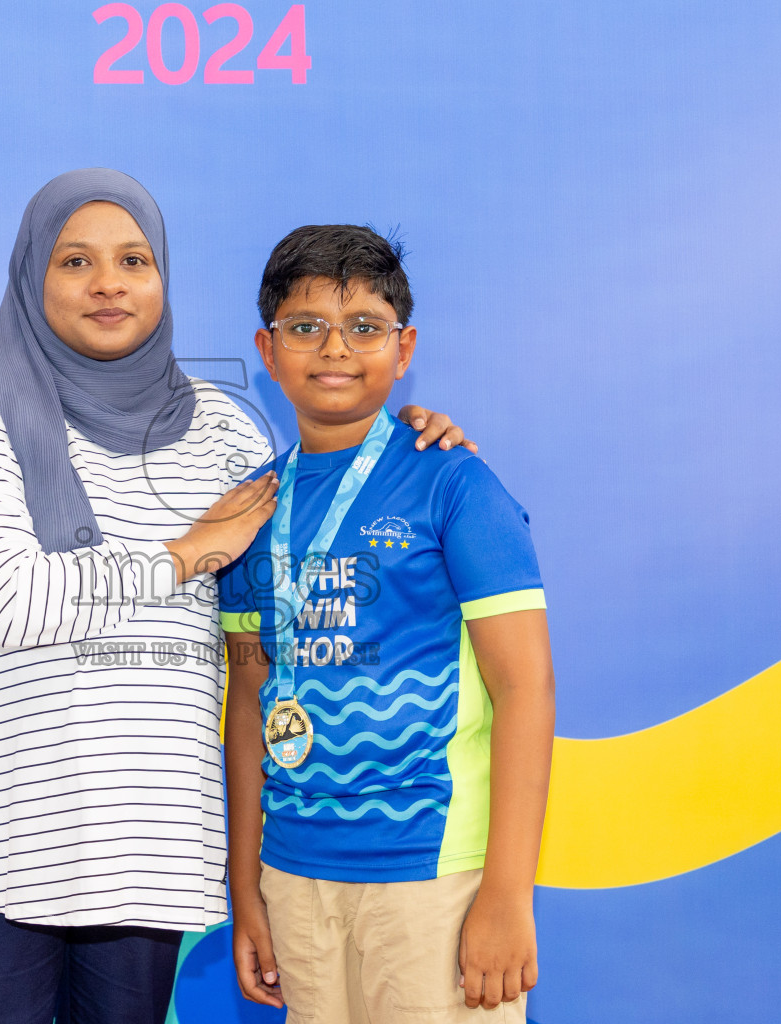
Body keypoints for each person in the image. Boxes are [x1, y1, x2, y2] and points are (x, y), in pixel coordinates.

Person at [0, 170, 479, 1024]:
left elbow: (305, 555)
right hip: (7, 825)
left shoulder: (225, 428)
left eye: (133, 259)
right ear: (32, 277)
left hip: (150, 832)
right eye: (75, 261)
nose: (108, 283)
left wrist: (418, 446)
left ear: (162, 278)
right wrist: (181, 554)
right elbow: (3, 598)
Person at [221, 224, 557, 1023]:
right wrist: (248, 891)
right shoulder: (246, 510)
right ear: (268, 352)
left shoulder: (454, 483)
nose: (335, 349)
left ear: (403, 349)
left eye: (364, 327)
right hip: (294, 875)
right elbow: (245, 702)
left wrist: (507, 894)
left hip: (433, 872)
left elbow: (527, 688)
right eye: (306, 327)